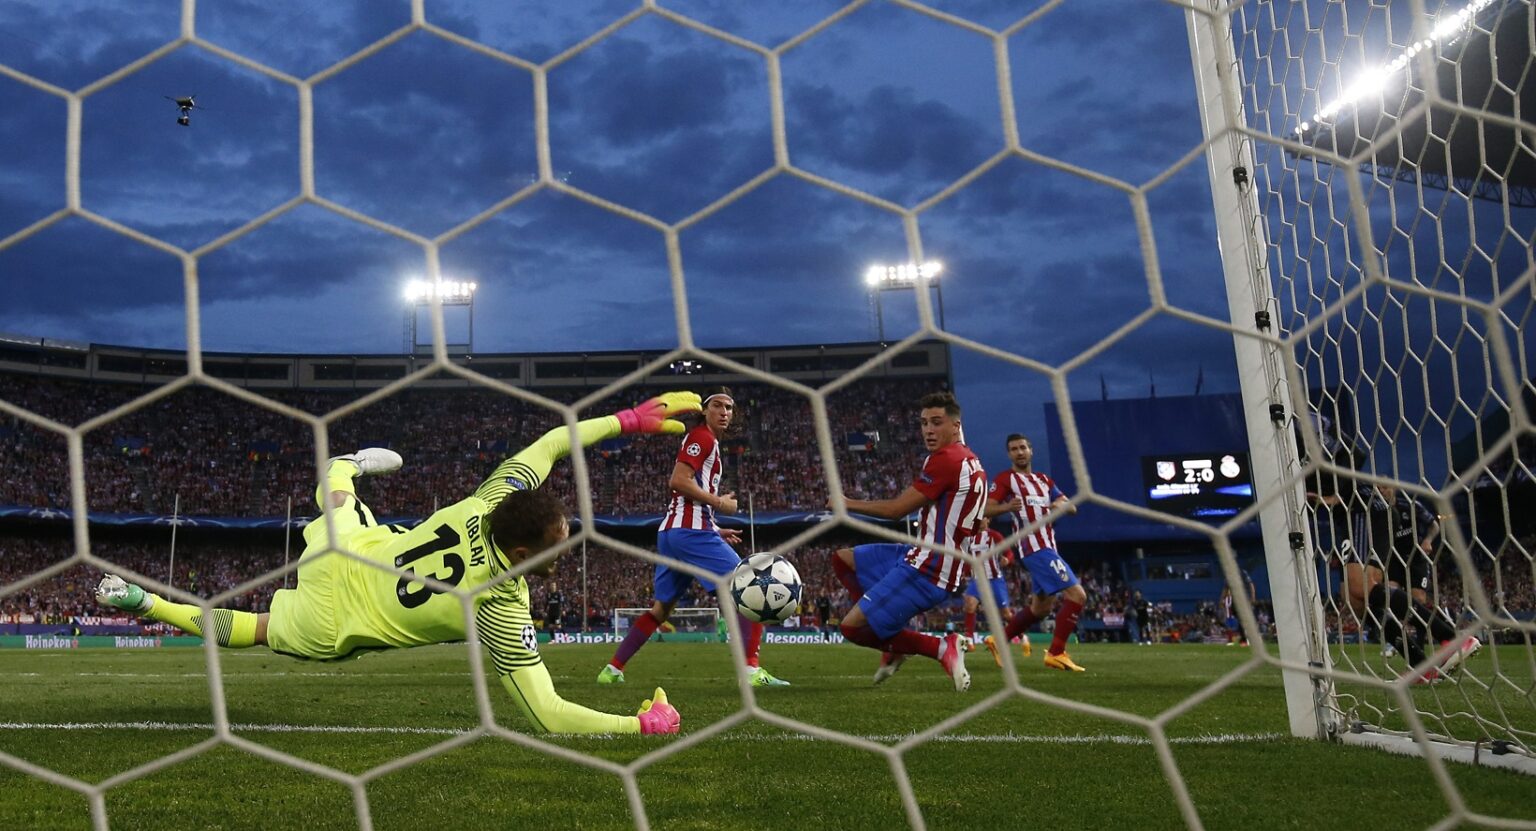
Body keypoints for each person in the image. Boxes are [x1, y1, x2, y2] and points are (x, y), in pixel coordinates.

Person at [94, 393, 700, 736]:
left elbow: (551, 441)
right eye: (556, 545)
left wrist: (625, 421)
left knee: (333, 492)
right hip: (339, 622)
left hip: (350, 552)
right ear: (520, 555)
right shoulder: (499, 605)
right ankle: (145, 602)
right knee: (245, 632)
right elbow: (548, 714)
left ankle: (349, 462)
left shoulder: (492, 499)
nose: (566, 552)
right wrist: (637, 727)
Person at [598, 387, 789, 688]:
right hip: (689, 531)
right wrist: (719, 504)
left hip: (674, 533)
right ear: (705, 410)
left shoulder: (706, 441)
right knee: (750, 585)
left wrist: (714, 527)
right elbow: (677, 481)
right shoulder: (702, 437)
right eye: (718, 406)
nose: (725, 412)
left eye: (729, 407)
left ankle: (612, 669)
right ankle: (751, 672)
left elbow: (686, 498)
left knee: (661, 610)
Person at [828, 391, 983, 692]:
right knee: (842, 558)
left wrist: (847, 503)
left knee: (850, 627)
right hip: (920, 554)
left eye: (936, 422)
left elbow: (897, 510)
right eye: (924, 422)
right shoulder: (969, 458)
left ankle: (940, 648)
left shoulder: (947, 460)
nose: (928, 429)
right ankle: (891, 637)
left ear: (955, 426)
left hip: (928, 570)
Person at [1315, 482, 1479, 681]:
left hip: (1366, 513)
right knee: (1354, 601)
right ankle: (1420, 665)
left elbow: (1347, 465)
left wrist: (1336, 496)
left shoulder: (1406, 505)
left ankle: (1451, 637)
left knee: (1365, 588)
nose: (1384, 490)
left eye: (1386, 487)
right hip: (1360, 525)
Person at [981, 433, 1087, 672]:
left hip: (1048, 546)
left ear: (1031, 451)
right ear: (1009, 454)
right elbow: (986, 506)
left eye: (1022, 448)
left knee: (1041, 609)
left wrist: (1058, 505)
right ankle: (1057, 652)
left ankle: (998, 639)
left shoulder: (1044, 481)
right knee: (1078, 595)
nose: (1019, 452)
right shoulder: (1006, 479)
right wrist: (1007, 507)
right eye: (1013, 449)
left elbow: (1071, 507)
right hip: (1033, 547)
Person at [961, 527, 1011, 645]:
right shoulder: (969, 538)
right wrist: (964, 571)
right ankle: (969, 640)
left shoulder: (995, 535)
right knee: (970, 604)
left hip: (995, 580)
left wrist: (1007, 559)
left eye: (983, 517)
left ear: (988, 520)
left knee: (1006, 614)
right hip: (977, 580)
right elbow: (969, 558)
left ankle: (1022, 635)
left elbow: (1008, 552)